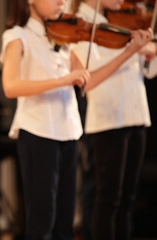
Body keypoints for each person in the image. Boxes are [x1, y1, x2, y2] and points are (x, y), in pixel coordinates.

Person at [0, 0, 153, 239]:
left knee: (65, 222)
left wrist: (129, 52)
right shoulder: (17, 35)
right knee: (42, 220)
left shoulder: (64, 36)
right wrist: (62, 81)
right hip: (37, 131)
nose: (62, 1)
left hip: (68, 131)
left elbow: (88, 80)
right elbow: (10, 86)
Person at [70, 0, 157, 239]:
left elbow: (147, 69)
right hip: (109, 119)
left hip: (136, 114)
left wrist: (148, 51)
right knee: (108, 199)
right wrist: (130, 50)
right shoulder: (81, 26)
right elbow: (90, 78)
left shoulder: (118, 23)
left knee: (128, 199)